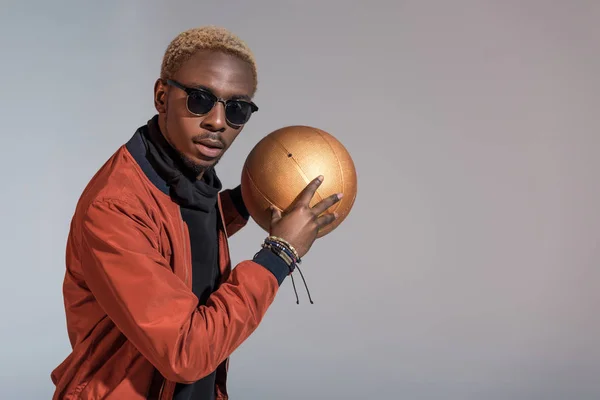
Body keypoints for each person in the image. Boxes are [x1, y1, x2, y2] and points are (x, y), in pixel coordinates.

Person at [50, 26, 342, 400]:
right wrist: (279, 254)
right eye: (200, 100)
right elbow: (186, 352)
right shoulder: (114, 207)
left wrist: (244, 203)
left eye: (236, 109)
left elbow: (177, 231)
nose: (217, 122)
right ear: (161, 97)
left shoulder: (183, 178)